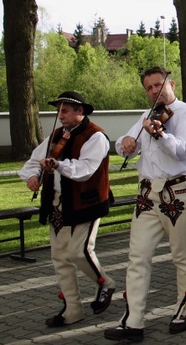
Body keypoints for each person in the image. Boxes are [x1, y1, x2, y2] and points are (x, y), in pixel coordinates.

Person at [105, 66, 186, 342]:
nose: (154, 91)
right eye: (149, 88)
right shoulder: (145, 116)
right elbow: (129, 144)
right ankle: (133, 321)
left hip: (179, 193)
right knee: (137, 257)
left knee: (182, 257)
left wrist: (160, 135)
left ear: (171, 83)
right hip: (148, 194)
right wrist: (124, 143)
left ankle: (183, 310)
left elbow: (182, 150)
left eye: (158, 85)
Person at [19, 91, 115, 327]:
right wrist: (32, 176)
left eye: (65, 110)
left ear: (80, 111)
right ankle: (72, 309)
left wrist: (58, 165)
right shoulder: (56, 135)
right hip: (58, 203)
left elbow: (85, 169)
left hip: (87, 202)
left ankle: (105, 283)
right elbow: (33, 160)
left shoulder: (96, 136)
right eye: (59, 110)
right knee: (60, 257)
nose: (59, 115)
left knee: (79, 252)